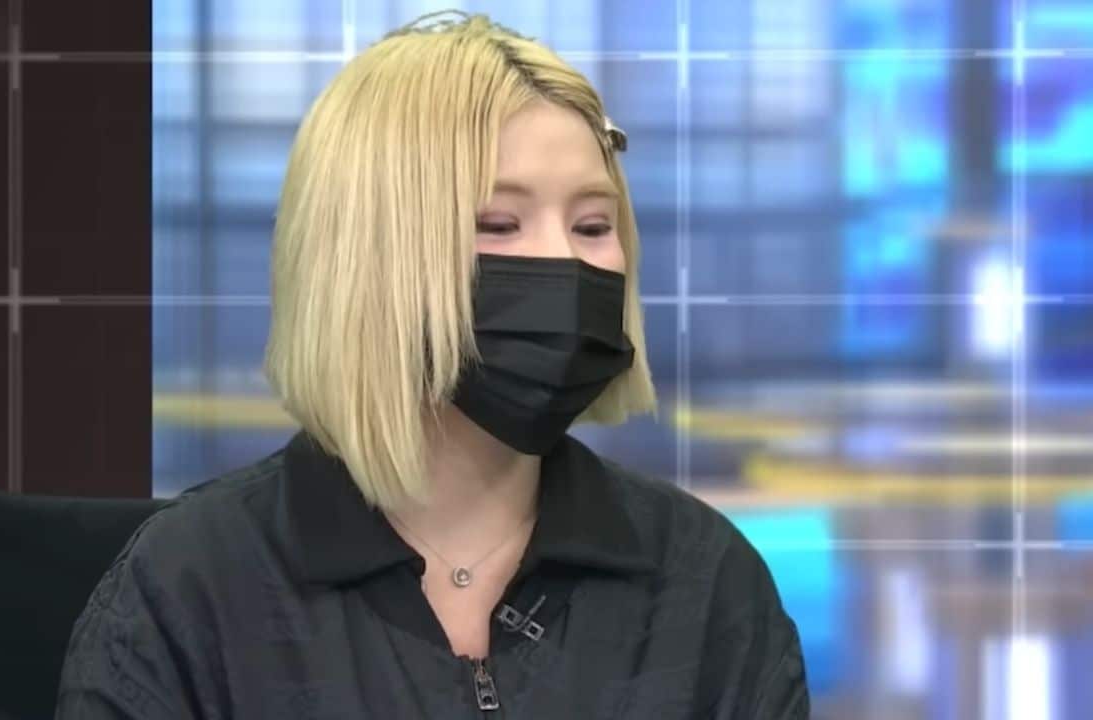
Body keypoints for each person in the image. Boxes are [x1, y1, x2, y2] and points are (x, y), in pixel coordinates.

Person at [55, 10, 808, 719]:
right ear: (366, 254)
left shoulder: (703, 580)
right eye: (499, 223)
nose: (566, 262)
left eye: (591, 224)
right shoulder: (190, 589)